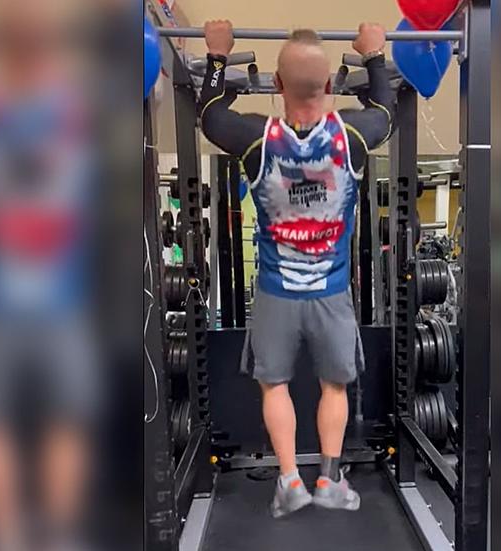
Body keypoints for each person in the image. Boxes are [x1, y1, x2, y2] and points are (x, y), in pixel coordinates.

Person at [199, 20, 395, 518]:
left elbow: (209, 115)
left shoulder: (254, 141)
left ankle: (289, 480)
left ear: (278, 85)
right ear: (330, 86)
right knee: (334, 387)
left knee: (276, 386)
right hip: (331, 294)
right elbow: (385, 112)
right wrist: (374, 55)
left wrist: (219, 55)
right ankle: (328, 478)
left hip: (275, 292)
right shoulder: (352, 136)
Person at [0, 1, 100, 549]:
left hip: (29, 302)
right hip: (22, 303)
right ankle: (32, 533)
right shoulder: (66, 109)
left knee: (10, 422)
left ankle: (15, 535)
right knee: (34, 422)